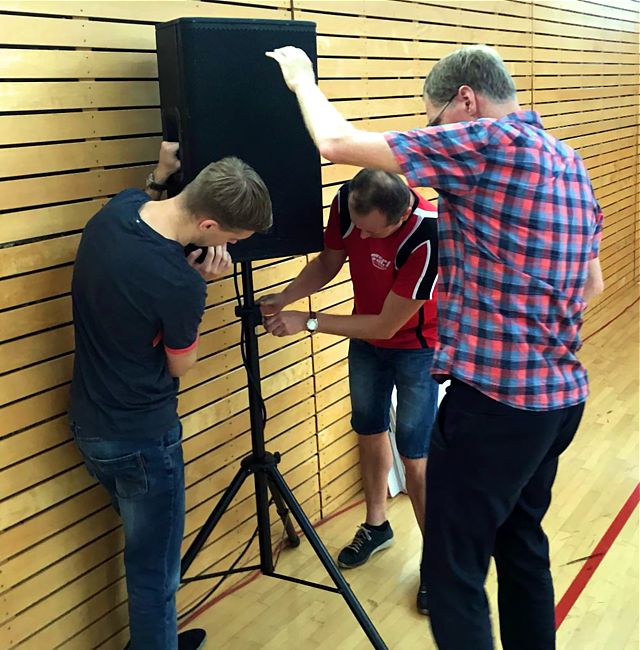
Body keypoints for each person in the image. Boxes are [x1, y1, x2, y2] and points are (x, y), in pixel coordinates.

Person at [266, 44, 605, 649]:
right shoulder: (568, 161)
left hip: (496, 405)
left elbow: (336, 145)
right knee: (522, 545)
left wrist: (300, 79)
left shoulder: (486, 143)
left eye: (432, 118)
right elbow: (592, 284)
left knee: (453, 573)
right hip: (560, 398)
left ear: (466, 102)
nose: (432, 132)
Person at [69, 141, 272, 650]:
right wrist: (199, 285)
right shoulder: (181, 282)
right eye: (233, 238)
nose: (232, 246)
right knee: (155, 575)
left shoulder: (113, 213)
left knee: (148, 553)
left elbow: (145, 197)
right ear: (208, 229)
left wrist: (159, 175)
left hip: (89, 423)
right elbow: (181, 364)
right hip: (142, 439)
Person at [260, 167, 439, 614]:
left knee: (415, 459)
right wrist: (285, 297)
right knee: (369, 430)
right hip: (367, 343)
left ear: (398, 217)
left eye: (369, 230)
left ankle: (439, 562)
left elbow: (386, 323)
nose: (359, 234)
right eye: (356, 225)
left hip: (417, 347)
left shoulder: (429, 236)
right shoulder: (348, 201)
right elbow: (327, 263)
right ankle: (377, 526)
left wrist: (310, 321)